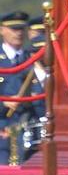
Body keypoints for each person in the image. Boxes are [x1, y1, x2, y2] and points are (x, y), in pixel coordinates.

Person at [0, 10, 47, 166]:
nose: (18, 33)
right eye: (14, 29)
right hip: (3, 130)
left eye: (21, 29)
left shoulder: (31, 58)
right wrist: (4, 103)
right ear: (2, 30)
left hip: (28, 130)